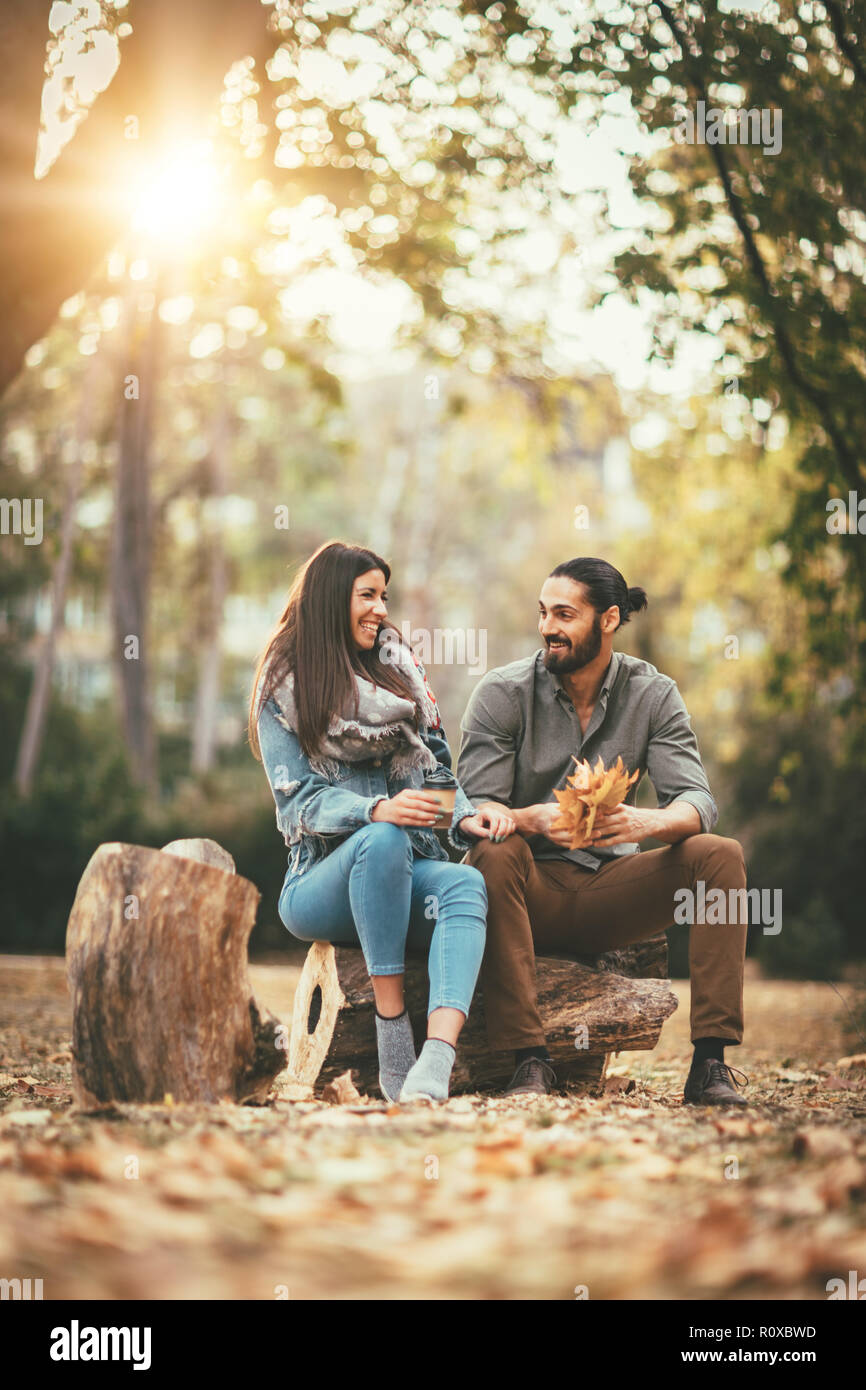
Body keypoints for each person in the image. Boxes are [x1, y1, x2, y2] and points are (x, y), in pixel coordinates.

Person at [456, 556, 749, 1107]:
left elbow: (697, 801)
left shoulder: (653, 693)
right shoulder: (503, 692)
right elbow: (473, 811)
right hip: (526, 890)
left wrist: (649, 821)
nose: (548, 627)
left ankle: (710, 1064)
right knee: (494, 853)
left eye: (564, 614)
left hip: (612, 890)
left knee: (720, 855)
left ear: (609, 619)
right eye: (543, 613)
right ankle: (529, 1061)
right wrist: (527, 818)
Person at [248, 540, 510, 1103]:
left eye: (384, 596)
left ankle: (435, 1061)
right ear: (328, 601)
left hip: (404, 874)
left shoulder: (399, 671)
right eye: (367, 595)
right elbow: (297, 805)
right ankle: (394, 1030)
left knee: (465, 881)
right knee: (383, 837)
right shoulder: (283, 684)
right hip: (319, 884)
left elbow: (434, 769)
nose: (382, 609)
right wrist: (374, 811)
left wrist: (464, 819)